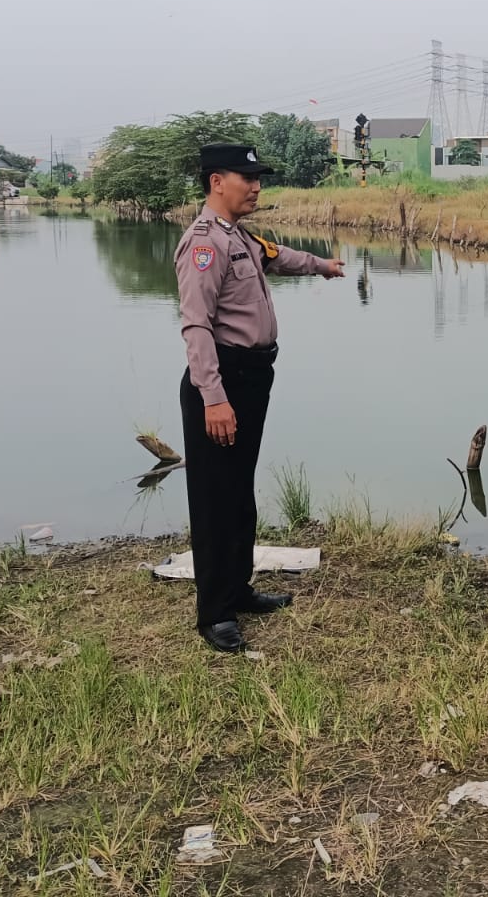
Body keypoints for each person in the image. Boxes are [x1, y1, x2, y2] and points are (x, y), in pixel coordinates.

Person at [175, 142, 344, 653]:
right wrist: (214, 397)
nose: (255, 186)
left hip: (251, 378)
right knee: (213, 497)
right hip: (221, 382)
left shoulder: (240, 238)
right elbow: (196, 325)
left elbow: (280, 257)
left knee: (239, 488)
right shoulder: (203, 244)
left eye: (258, 178)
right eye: (245, 177)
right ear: (216, 181)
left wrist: (322, 265)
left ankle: (238, 587)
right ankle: (214, 613)